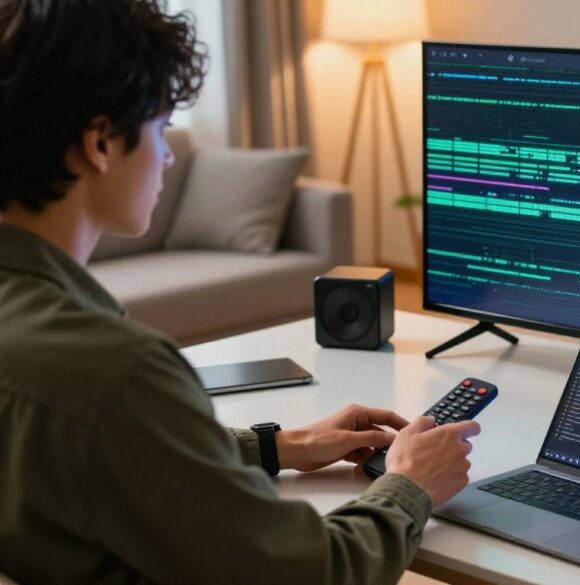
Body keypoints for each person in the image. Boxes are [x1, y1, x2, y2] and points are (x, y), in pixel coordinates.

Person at [0, 1, 481, 583]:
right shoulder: (117, 372)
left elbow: (110, 454)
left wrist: (283, 444)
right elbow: (311, 573)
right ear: (100, 143)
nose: (170, 153)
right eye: (158, 125)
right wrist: (410, 486)